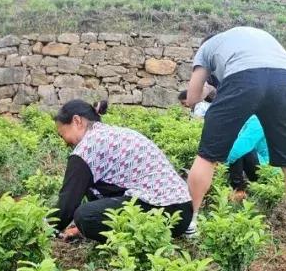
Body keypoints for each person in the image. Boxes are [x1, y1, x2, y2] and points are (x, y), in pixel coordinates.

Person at [181, 26, 286, 235]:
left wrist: (203, 92)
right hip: (285, 80)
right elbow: (271, 74)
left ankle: (189, 222)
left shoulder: (206, 49)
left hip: (242, 78)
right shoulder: (254, 37)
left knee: (207, 157)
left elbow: (193, 97)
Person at [53, 99, 194, 242]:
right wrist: (79, 229)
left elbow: (67, 204)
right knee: (91, 192)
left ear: (77, 121)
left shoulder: (88, 147)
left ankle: (130, 246)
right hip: (182, 212)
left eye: (62, 134)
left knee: (85, 216)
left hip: (163, 210)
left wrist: (43, 229)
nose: (64, 142)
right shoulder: (112, 133)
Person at [178, 90, 268, 200]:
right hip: (256, 163)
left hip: (267, 169)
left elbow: (240, 147)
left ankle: (239, 189)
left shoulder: (258, 121)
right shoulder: (247, 119)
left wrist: (215, 165)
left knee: (237, 149)